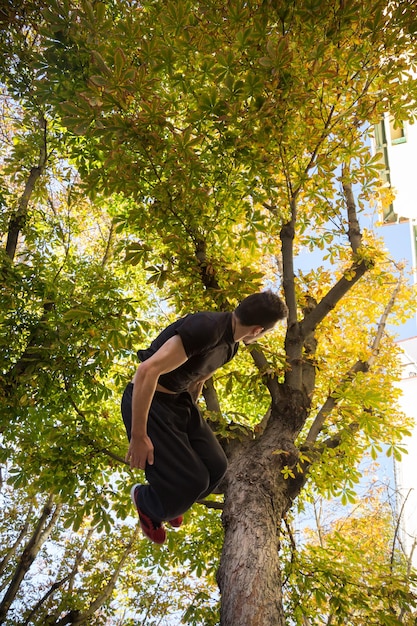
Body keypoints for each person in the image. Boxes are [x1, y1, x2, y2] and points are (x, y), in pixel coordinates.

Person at [121, 290, 288, 544]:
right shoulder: (206, 328)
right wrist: (139, 434)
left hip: (179, 403)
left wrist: (189, 423)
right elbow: (147, 370)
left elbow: (198, 378)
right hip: (149, 399)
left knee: (216, 467)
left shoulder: (231, 347)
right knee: (194, 480)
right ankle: (147, 501)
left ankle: (173, 498)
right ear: (257, 330)